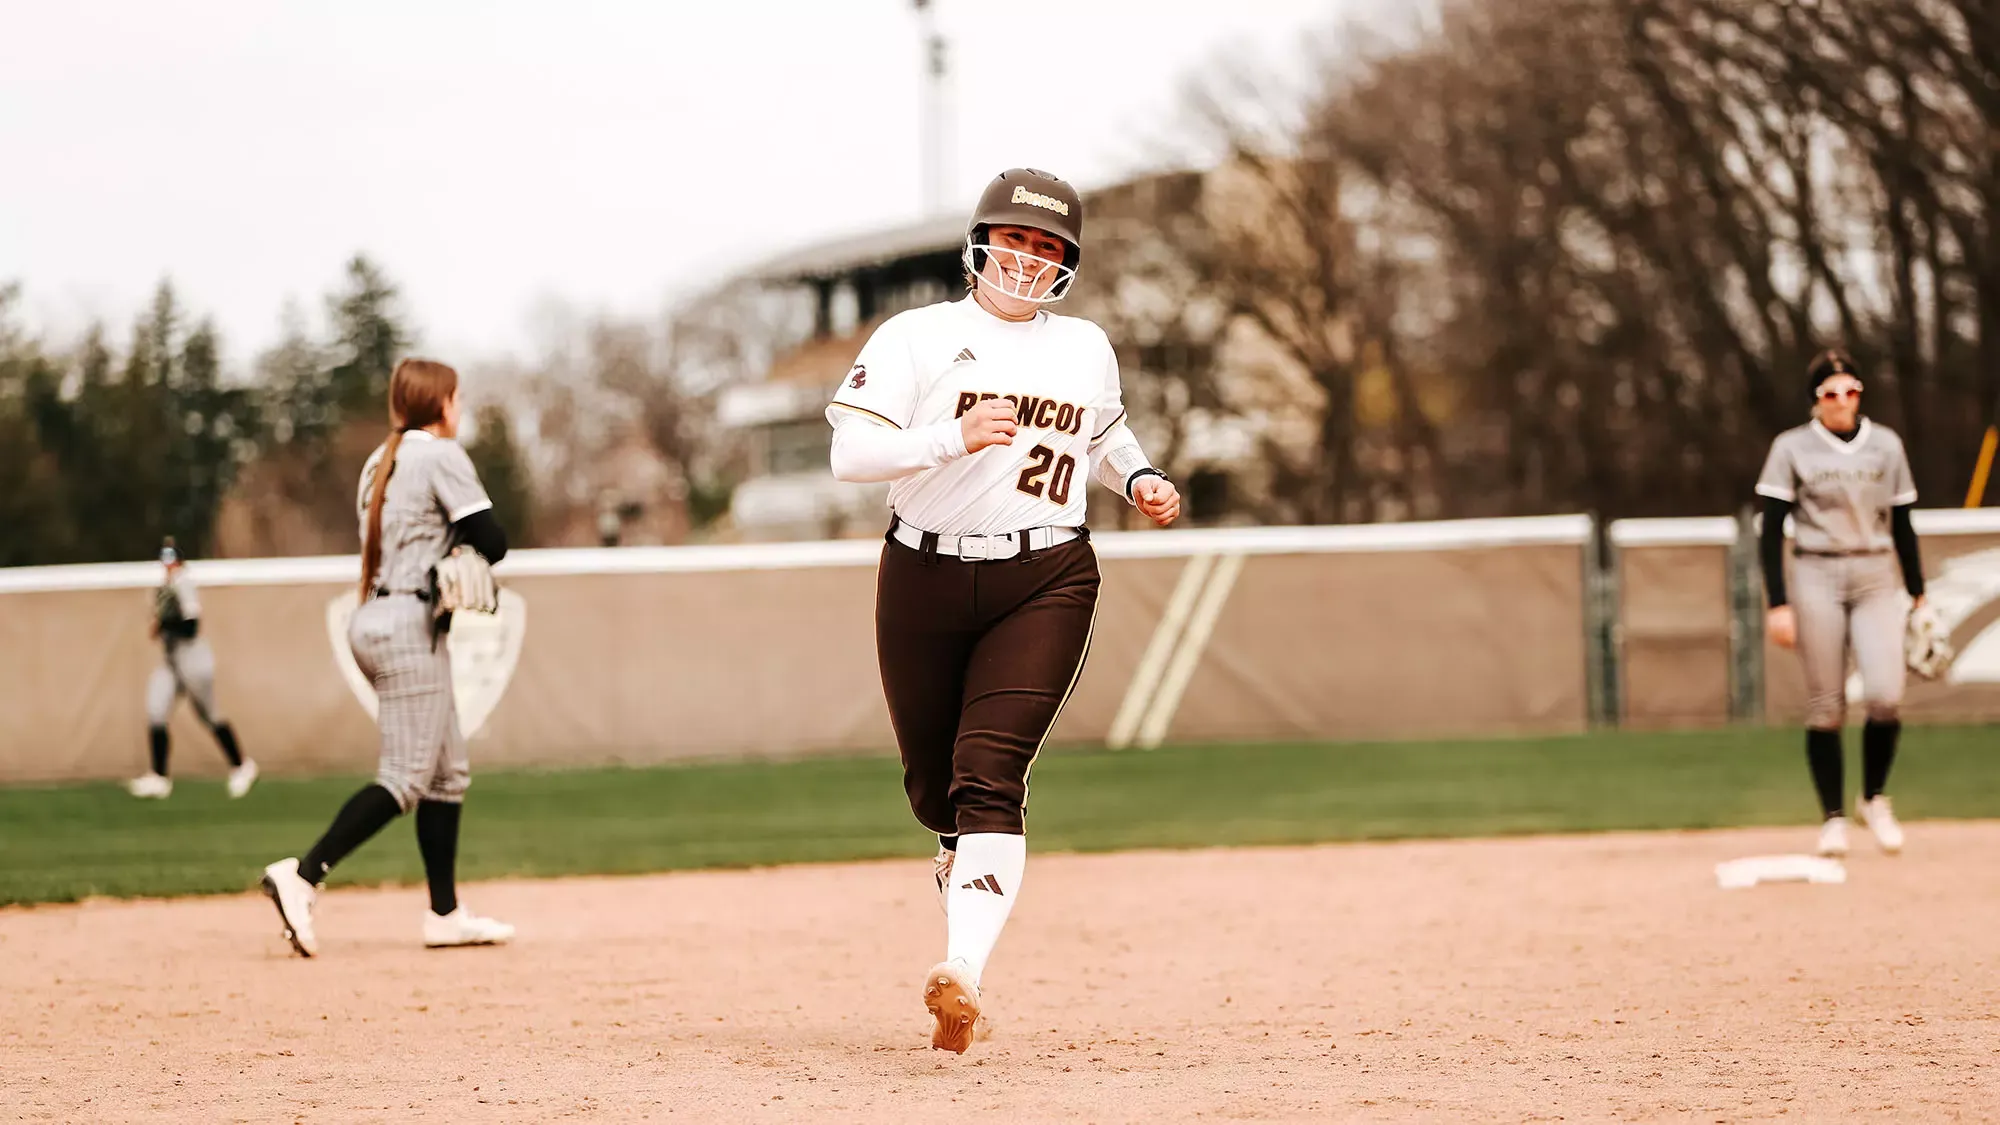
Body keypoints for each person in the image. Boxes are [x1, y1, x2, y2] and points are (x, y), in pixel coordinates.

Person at [826, 167, 1182, 1053]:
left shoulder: (1085, 345)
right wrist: (951, 436)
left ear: (1069, 262)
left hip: (1046, 574)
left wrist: (1136, 475)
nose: (1028, 257)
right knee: (932, 783)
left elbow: (1104, 431)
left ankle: (964, 972)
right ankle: (954, 850)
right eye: (1015, 238)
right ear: (980, 243)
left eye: (1048, 245)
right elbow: (850, 454)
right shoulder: (918, 335)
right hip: (924, 570)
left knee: (988, 770)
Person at [260, 358, 514, 957]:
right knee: (405, 778)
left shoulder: (382, 459)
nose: (460, 408)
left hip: (376, 615)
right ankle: (303, 876)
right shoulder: (440, 455)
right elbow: (493, 540)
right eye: (456, 398)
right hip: (408, 623)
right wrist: (461, 554)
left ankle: (445, 915)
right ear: (441, 404)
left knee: (447, 775)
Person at [1756, 349, 1923, 858]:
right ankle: (1832, 818)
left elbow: (1903, 524)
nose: (1842, 400)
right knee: (1826, 704)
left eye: (1851, 390)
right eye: (1831, 392)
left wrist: (1919, 594)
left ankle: (1873, 798)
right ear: (1816, 399)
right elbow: (1770, 529)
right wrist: (1778, 603)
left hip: (1875, 571)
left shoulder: (1886, 445)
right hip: (1816, 570)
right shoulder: (1792, 447)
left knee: (1885, 694)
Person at [126, 537, 258, 799]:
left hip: (192, 659)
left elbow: (191, 625)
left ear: (179, 561)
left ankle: (242, 766)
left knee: (210, 715)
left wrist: (164, 623)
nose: (168, 565)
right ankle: (159, 777)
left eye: (171, 560)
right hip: (171, 659)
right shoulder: (164, 586)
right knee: (156, 710)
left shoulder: (183, 583)